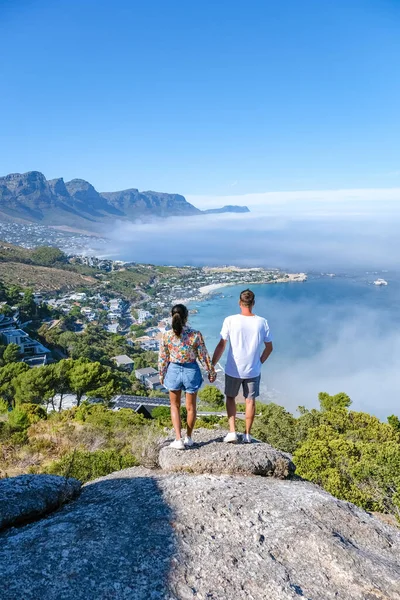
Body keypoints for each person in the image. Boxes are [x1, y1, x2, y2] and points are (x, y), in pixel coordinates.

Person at [212, 289, 273, 443]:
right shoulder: (262, 322)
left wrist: (212, 364)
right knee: (250, 401)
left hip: (233, 368)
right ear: (253, 303)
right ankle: (247, 434)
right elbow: (269, 348)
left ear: (239, 303)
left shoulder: (230, 320)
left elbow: (221, 345)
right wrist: (259, 362)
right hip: (253, 369)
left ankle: (232, 431)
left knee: (230, 397)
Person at [158, 304, 216, 449]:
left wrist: (161, 374)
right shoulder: (195, 334)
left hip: (174, 370)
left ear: (172, 316)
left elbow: (163, 358)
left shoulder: (166, 335)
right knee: (191, 407)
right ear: (186, 317)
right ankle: (188, 438)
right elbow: (203, 356)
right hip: (191, 370)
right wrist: (211, 372)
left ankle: (178, 439)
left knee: (175, 406)